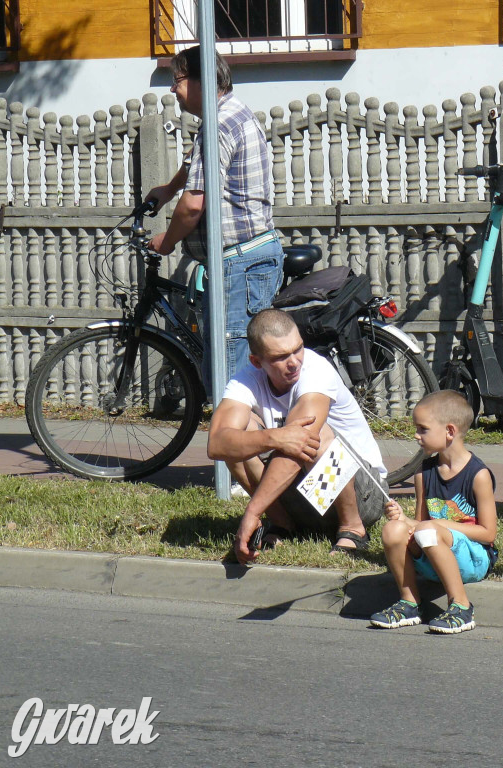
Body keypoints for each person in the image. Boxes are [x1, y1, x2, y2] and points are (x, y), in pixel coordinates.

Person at [146, 45, 283, 383]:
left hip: (239, 264)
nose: (172, 90)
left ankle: (248, 435)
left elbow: (194, 204)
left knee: (233, 383)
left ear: (200, 80)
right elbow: (199, 162)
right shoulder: (231, 113)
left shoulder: (218, 124)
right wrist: (168, 188)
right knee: (235, 374)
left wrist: (166, 242)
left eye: (176, 80)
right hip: (247, 259)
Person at [208, 309, 388, 564]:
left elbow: (301, 444)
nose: (294, 361)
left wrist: (252, 512)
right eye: (281, 357)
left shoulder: (316, 371)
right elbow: (216, 444)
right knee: (238, 437)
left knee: (315, 433)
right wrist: (275, 438)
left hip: (364, 496)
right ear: (257, 362)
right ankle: (283, 525)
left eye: (298, 348)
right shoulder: (246, 381)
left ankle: (353, 529)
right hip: (308, 497)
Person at [370, 390, 497, 635]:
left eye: (423, 429)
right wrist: (403, 519)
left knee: (429, 529)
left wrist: (440, 525)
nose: (416, 436)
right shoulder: (423, 472)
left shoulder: (478, 475)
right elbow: (420, 523)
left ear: (449, 431)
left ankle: (461, 606)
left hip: (473, 560)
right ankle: (410, 603)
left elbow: (488, 533)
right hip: (432, 551)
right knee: (392, 530)